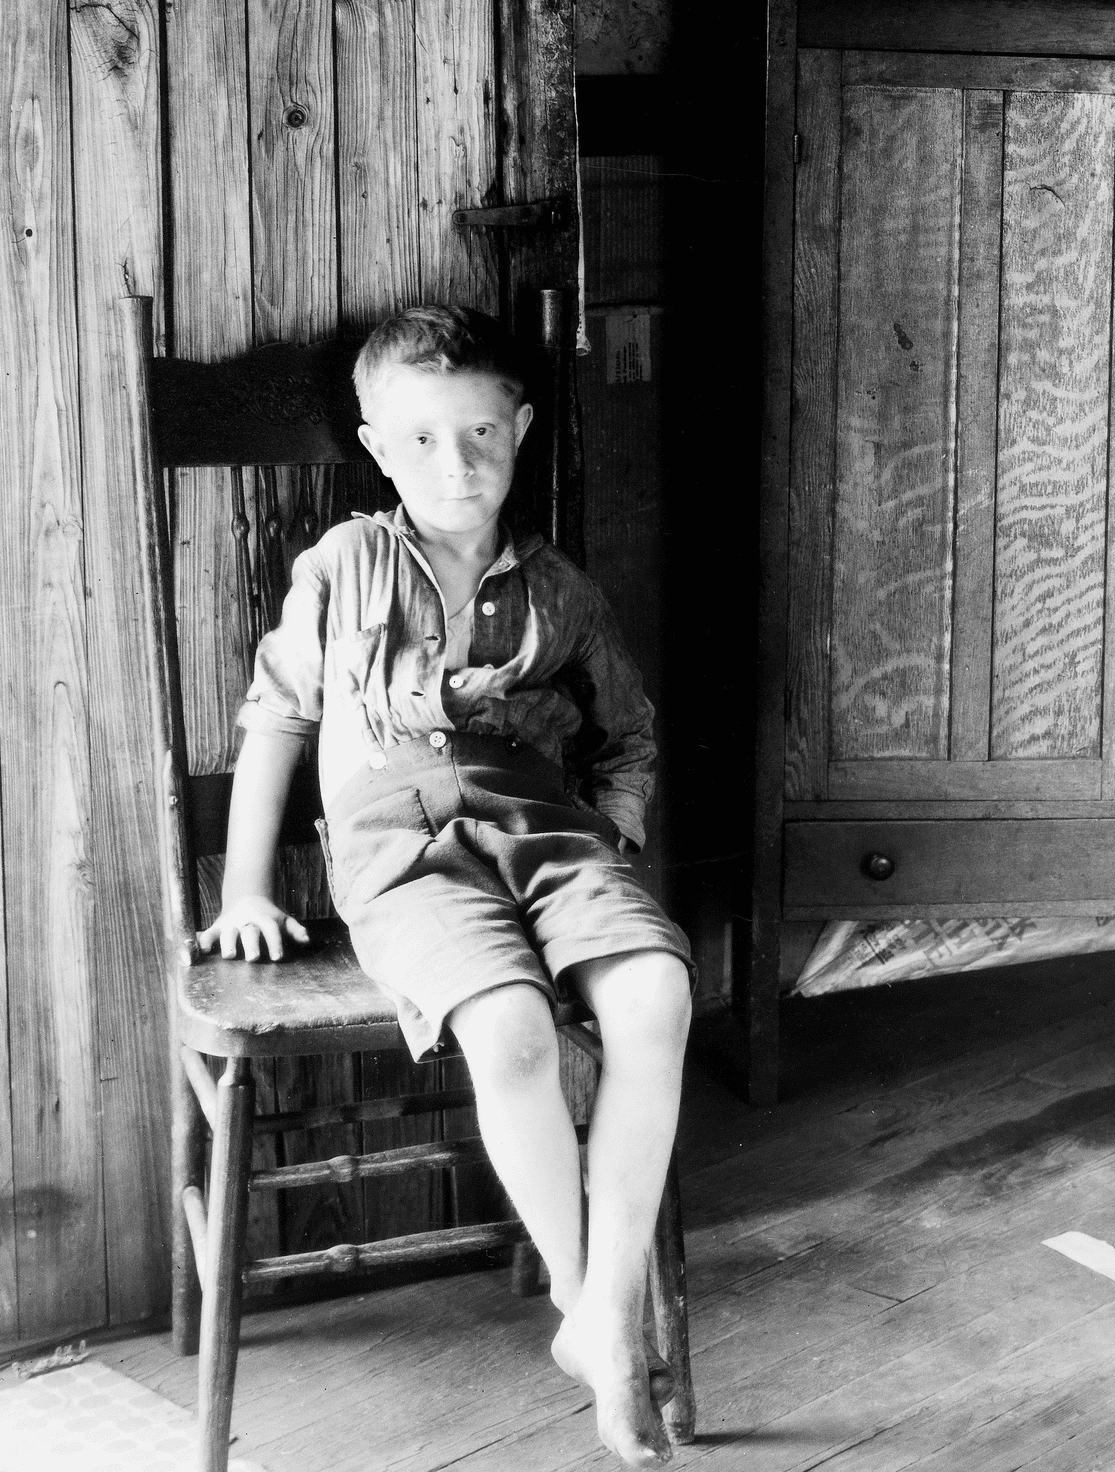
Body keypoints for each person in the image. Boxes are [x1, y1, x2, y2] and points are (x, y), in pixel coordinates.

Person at [198, 306, 692, 1469]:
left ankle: (610, 1297)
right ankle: (586, 1302)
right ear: (378, 448)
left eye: (480, 434)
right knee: (512, 1029)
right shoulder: (347, 565)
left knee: (656, 997)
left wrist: (612, 836)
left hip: (549, 831)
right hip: (403, 852)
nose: (456, 464)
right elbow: (278, 720)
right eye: (421, 440)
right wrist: (247, 888)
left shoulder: (561, 591)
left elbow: (628, 733)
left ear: (519, 430)